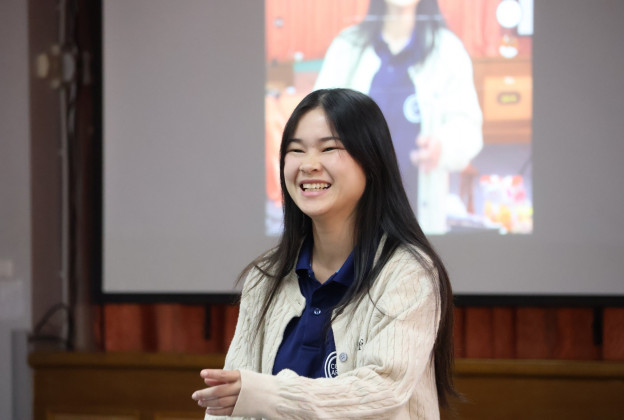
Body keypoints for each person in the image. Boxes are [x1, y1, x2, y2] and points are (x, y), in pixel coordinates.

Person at [192, 88, 456, 419]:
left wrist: (265, 394)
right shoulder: (265, 278)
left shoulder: (407, 273)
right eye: (296, 150)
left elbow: (382, 390)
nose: (309, 165)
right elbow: (228, 406)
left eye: (329, 148)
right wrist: (242, 397)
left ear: (371, 161)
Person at [314, 0, 483, 234]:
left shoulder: (447, 50)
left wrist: (442, 146)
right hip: (355, 217)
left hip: (418, 213)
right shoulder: (347, 47)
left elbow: (468, 127)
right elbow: (315, 123)